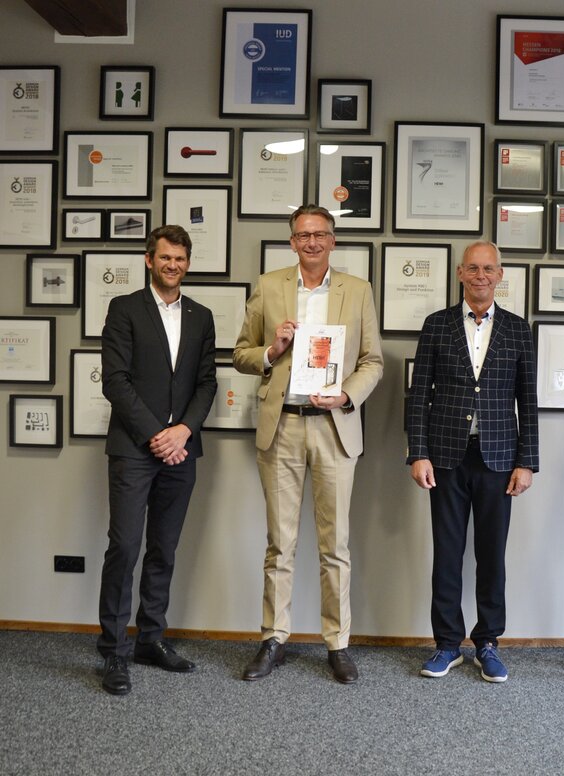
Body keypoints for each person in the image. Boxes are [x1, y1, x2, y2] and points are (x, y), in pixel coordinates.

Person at [233, 204, 383, 684]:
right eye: (303, 235)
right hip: (282, 427)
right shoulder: (269, 286)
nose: (312, 242)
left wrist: (346, 395)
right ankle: (273, 639)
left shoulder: (357, 290)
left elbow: (373, 362)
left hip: (333, 427)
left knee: (334, 545)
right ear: (292, 241)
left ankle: (337, 643)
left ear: (332, 240)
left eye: (320, 234)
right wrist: (272, 349)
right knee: (280, 544)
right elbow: (241, 354)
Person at [406, 241, 539, 683]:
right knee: (447, 554)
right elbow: (418, 395)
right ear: (461, 273)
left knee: (491, 555)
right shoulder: (436, 325)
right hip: (445, 457)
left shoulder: (518, 329)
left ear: (500, 275)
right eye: (473, 268)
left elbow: (528, 400)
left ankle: (487, 642)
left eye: (488, 269)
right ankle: (447, 644)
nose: (481, 275)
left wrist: (527, 462)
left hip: (499, 459)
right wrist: (418, 452)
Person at [97, 225, 217, 695]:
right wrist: (157, 435)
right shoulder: (124, 309)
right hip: (134, 449)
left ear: (188, 263)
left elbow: (206, 382)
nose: (173, 265)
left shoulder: (202, 316)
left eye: (180, 259)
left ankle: (150, 639)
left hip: (182, 450)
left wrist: (182, 431)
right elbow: (115, 381)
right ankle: (114, 649)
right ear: (149, 260)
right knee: (124, 547)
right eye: (165, 257)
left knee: (164, 548)